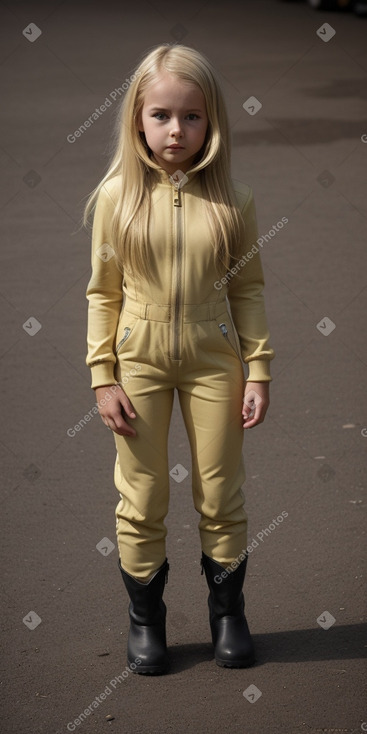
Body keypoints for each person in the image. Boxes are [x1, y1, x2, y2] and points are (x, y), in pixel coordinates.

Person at [84, 43, 275, 675]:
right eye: (162, 114)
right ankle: (146, 621)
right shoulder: (116, 199)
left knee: (220, 492)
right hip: (138, 365)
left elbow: (247, 288)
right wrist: (102, 377)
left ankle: (229, 615)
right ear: (137, 117)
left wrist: (258, 368)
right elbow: (102, 293)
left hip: (214, 363)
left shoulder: (233, 199)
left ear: (212, 120)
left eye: (192, 117)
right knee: (141, 498)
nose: (177, 130)